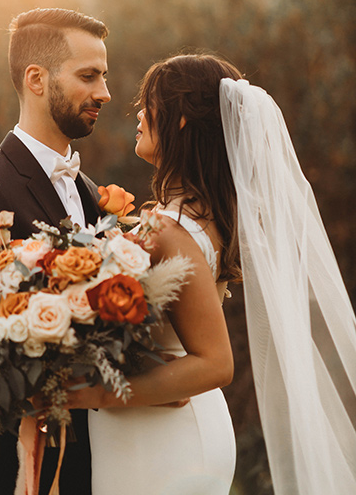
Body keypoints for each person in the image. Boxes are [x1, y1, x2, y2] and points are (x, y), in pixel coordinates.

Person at [63, 53, 356, 495]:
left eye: (149, 103)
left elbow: (216, 363)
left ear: (180, 122)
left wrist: (99, 392)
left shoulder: (173, 227)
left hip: (161, 441)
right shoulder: (199, 217)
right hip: (168, 427)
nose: (138, 114)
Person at [0, 7, 111, 495]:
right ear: (37, 78)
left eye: (104, 76)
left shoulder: (91, 192)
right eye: (88, 76)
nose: (104, 93)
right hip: (1, 466)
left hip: (82, 459)